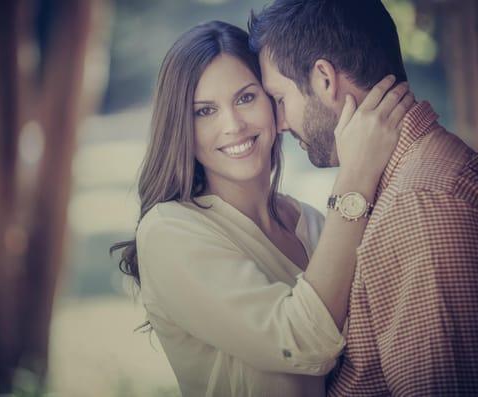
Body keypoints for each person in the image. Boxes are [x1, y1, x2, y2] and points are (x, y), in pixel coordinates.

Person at [113, 21, 413, 397]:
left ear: (274, 102)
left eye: (245, 98)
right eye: (204, 111)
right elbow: (302, 342)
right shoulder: (169, 231)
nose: (233, 125)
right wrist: (357, 174)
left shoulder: (316, 224)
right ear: (181, 128)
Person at [248, 0, 478, 395]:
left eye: (279, 99)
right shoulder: (403, 186)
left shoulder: (420, 206)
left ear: (324, 79)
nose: (279, 124)